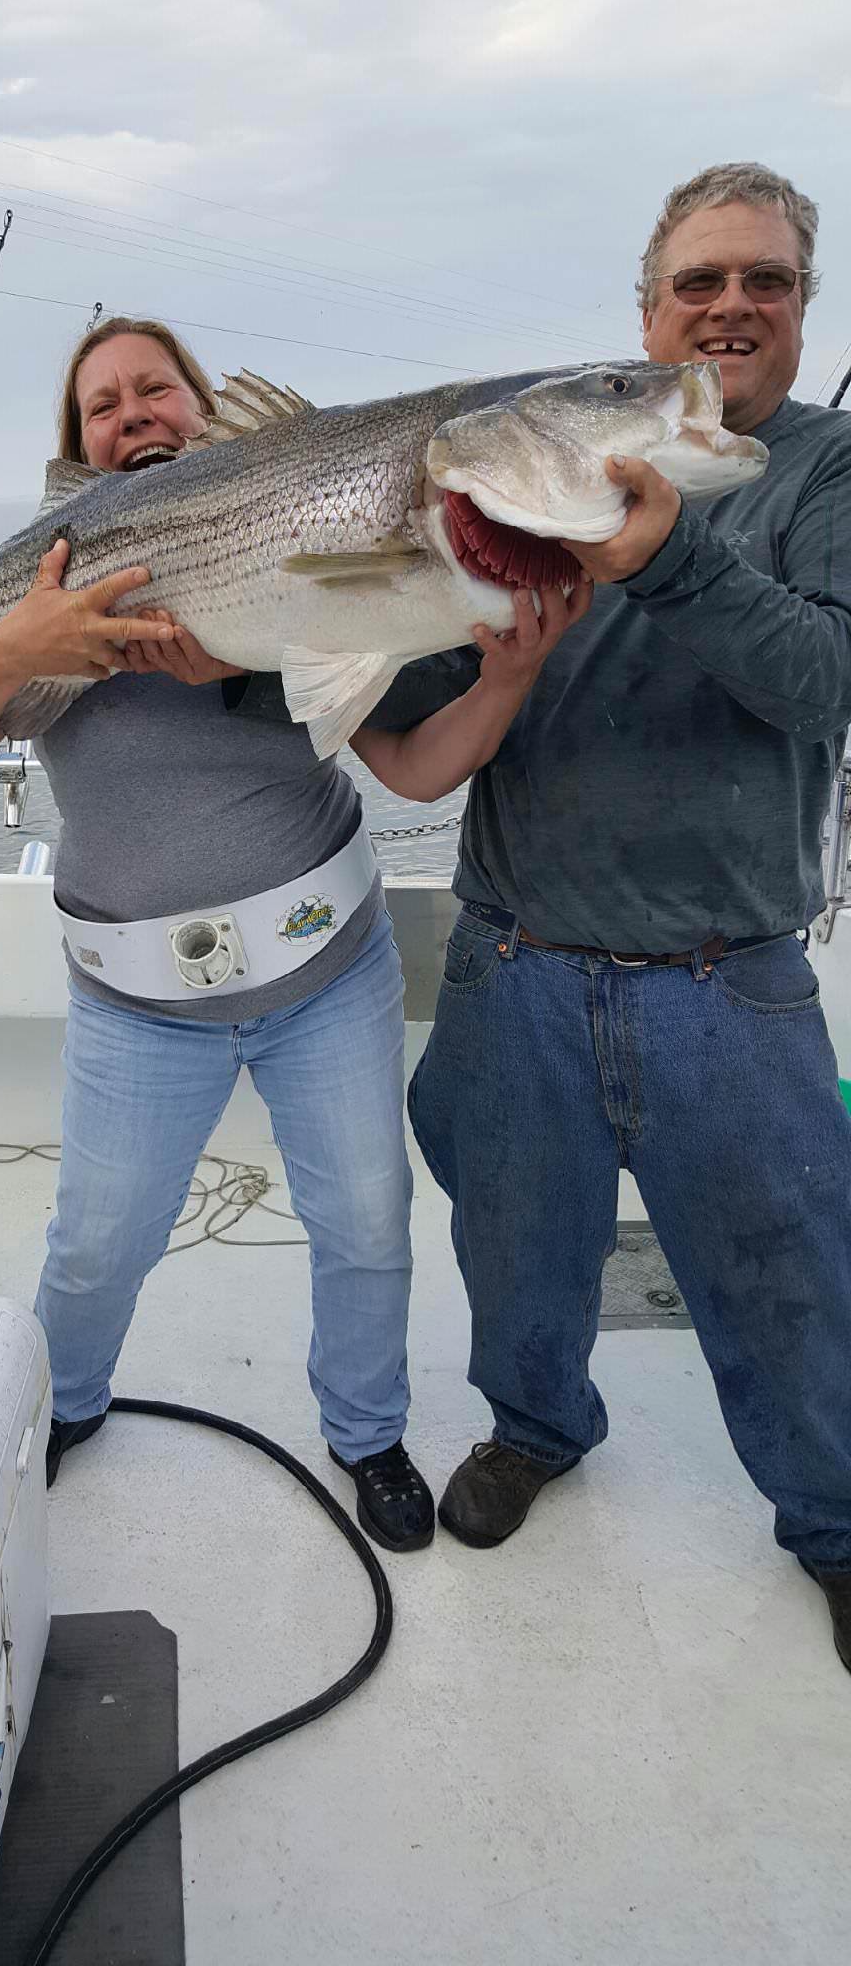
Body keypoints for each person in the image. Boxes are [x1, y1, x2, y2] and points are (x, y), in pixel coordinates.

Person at [0, 316, 581, 1552]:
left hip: (326, 974)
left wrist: (509, 678)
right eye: (104, 404)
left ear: (208, 413)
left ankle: (366, 1430)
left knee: (366, 1219)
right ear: (78, 449)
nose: (135, 411)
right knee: (97, 1245)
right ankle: (62, 1403)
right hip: (137, 1010)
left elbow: (413, 768)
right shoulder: (39, 593)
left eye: (159, 387)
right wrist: (9, 648)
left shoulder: (290, 550)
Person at [354, 162, 851, 1673]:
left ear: (804, 312)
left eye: (766, 280)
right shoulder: (522, 481)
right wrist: (266, 635)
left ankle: (833, 1520)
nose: (732, 306)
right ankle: (536, 1429)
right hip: (517, 961)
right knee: (515, 1250)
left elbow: (830, 675)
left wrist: (670, 555)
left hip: (733, 979)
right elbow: (424, 688)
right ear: (646, 319)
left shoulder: (819, 473)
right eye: (699, 283)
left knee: (794, 1286)